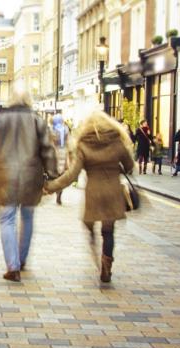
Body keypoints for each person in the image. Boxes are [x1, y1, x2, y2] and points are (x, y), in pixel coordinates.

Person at [44, 111, 135, 283]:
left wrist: (51, 187)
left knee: (89, 222)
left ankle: (93, 239)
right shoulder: (117, 142)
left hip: (94, 192)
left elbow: (72, 174)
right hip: (114, 192)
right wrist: (118, 167)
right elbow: (129, 166)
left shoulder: (84, 145)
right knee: (109, 232)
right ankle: (107, 262)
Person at [0, 87, 57, 283]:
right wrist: (52, 174)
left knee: (7, 219)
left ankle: (12, 267)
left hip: (4, 177)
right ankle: (21, 260)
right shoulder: (37, 120)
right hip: (31, 177)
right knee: (28, 217)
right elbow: (48, 150)